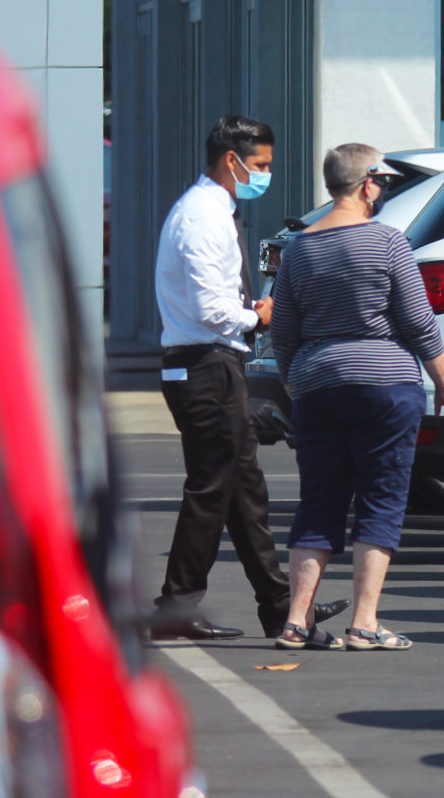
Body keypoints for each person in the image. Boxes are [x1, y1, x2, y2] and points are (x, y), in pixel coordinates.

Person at [152, 114, 350, 640]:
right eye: (259, 164)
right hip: (202, 365)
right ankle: (175, 607)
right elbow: (209, 306)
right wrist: (256, 315)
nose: (265, 173)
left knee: (243, 489)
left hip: (212, 363)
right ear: (231, 160)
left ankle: (280, 606)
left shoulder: (213, 210)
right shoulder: (203, 217)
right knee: (214, 486)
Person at [270, 143, 444, 651]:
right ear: (367, 183)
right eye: (384, 182)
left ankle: (295, 621)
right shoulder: (388, 243)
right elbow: (418, 322)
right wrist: (443, 383)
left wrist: (298, 382)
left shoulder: (298, 249)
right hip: (384, 383)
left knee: (318, 501)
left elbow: (283, 333)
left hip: (316, 384)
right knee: (381, 499)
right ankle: (365, 622)